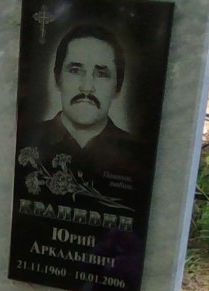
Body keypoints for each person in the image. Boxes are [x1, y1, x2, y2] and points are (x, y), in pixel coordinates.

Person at [19, 24, 150, 189]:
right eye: (75, 70)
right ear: (58, 78)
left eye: (101, 74)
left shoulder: (138, 155)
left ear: (117, 86)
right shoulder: (25, 140)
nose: (87, 87)